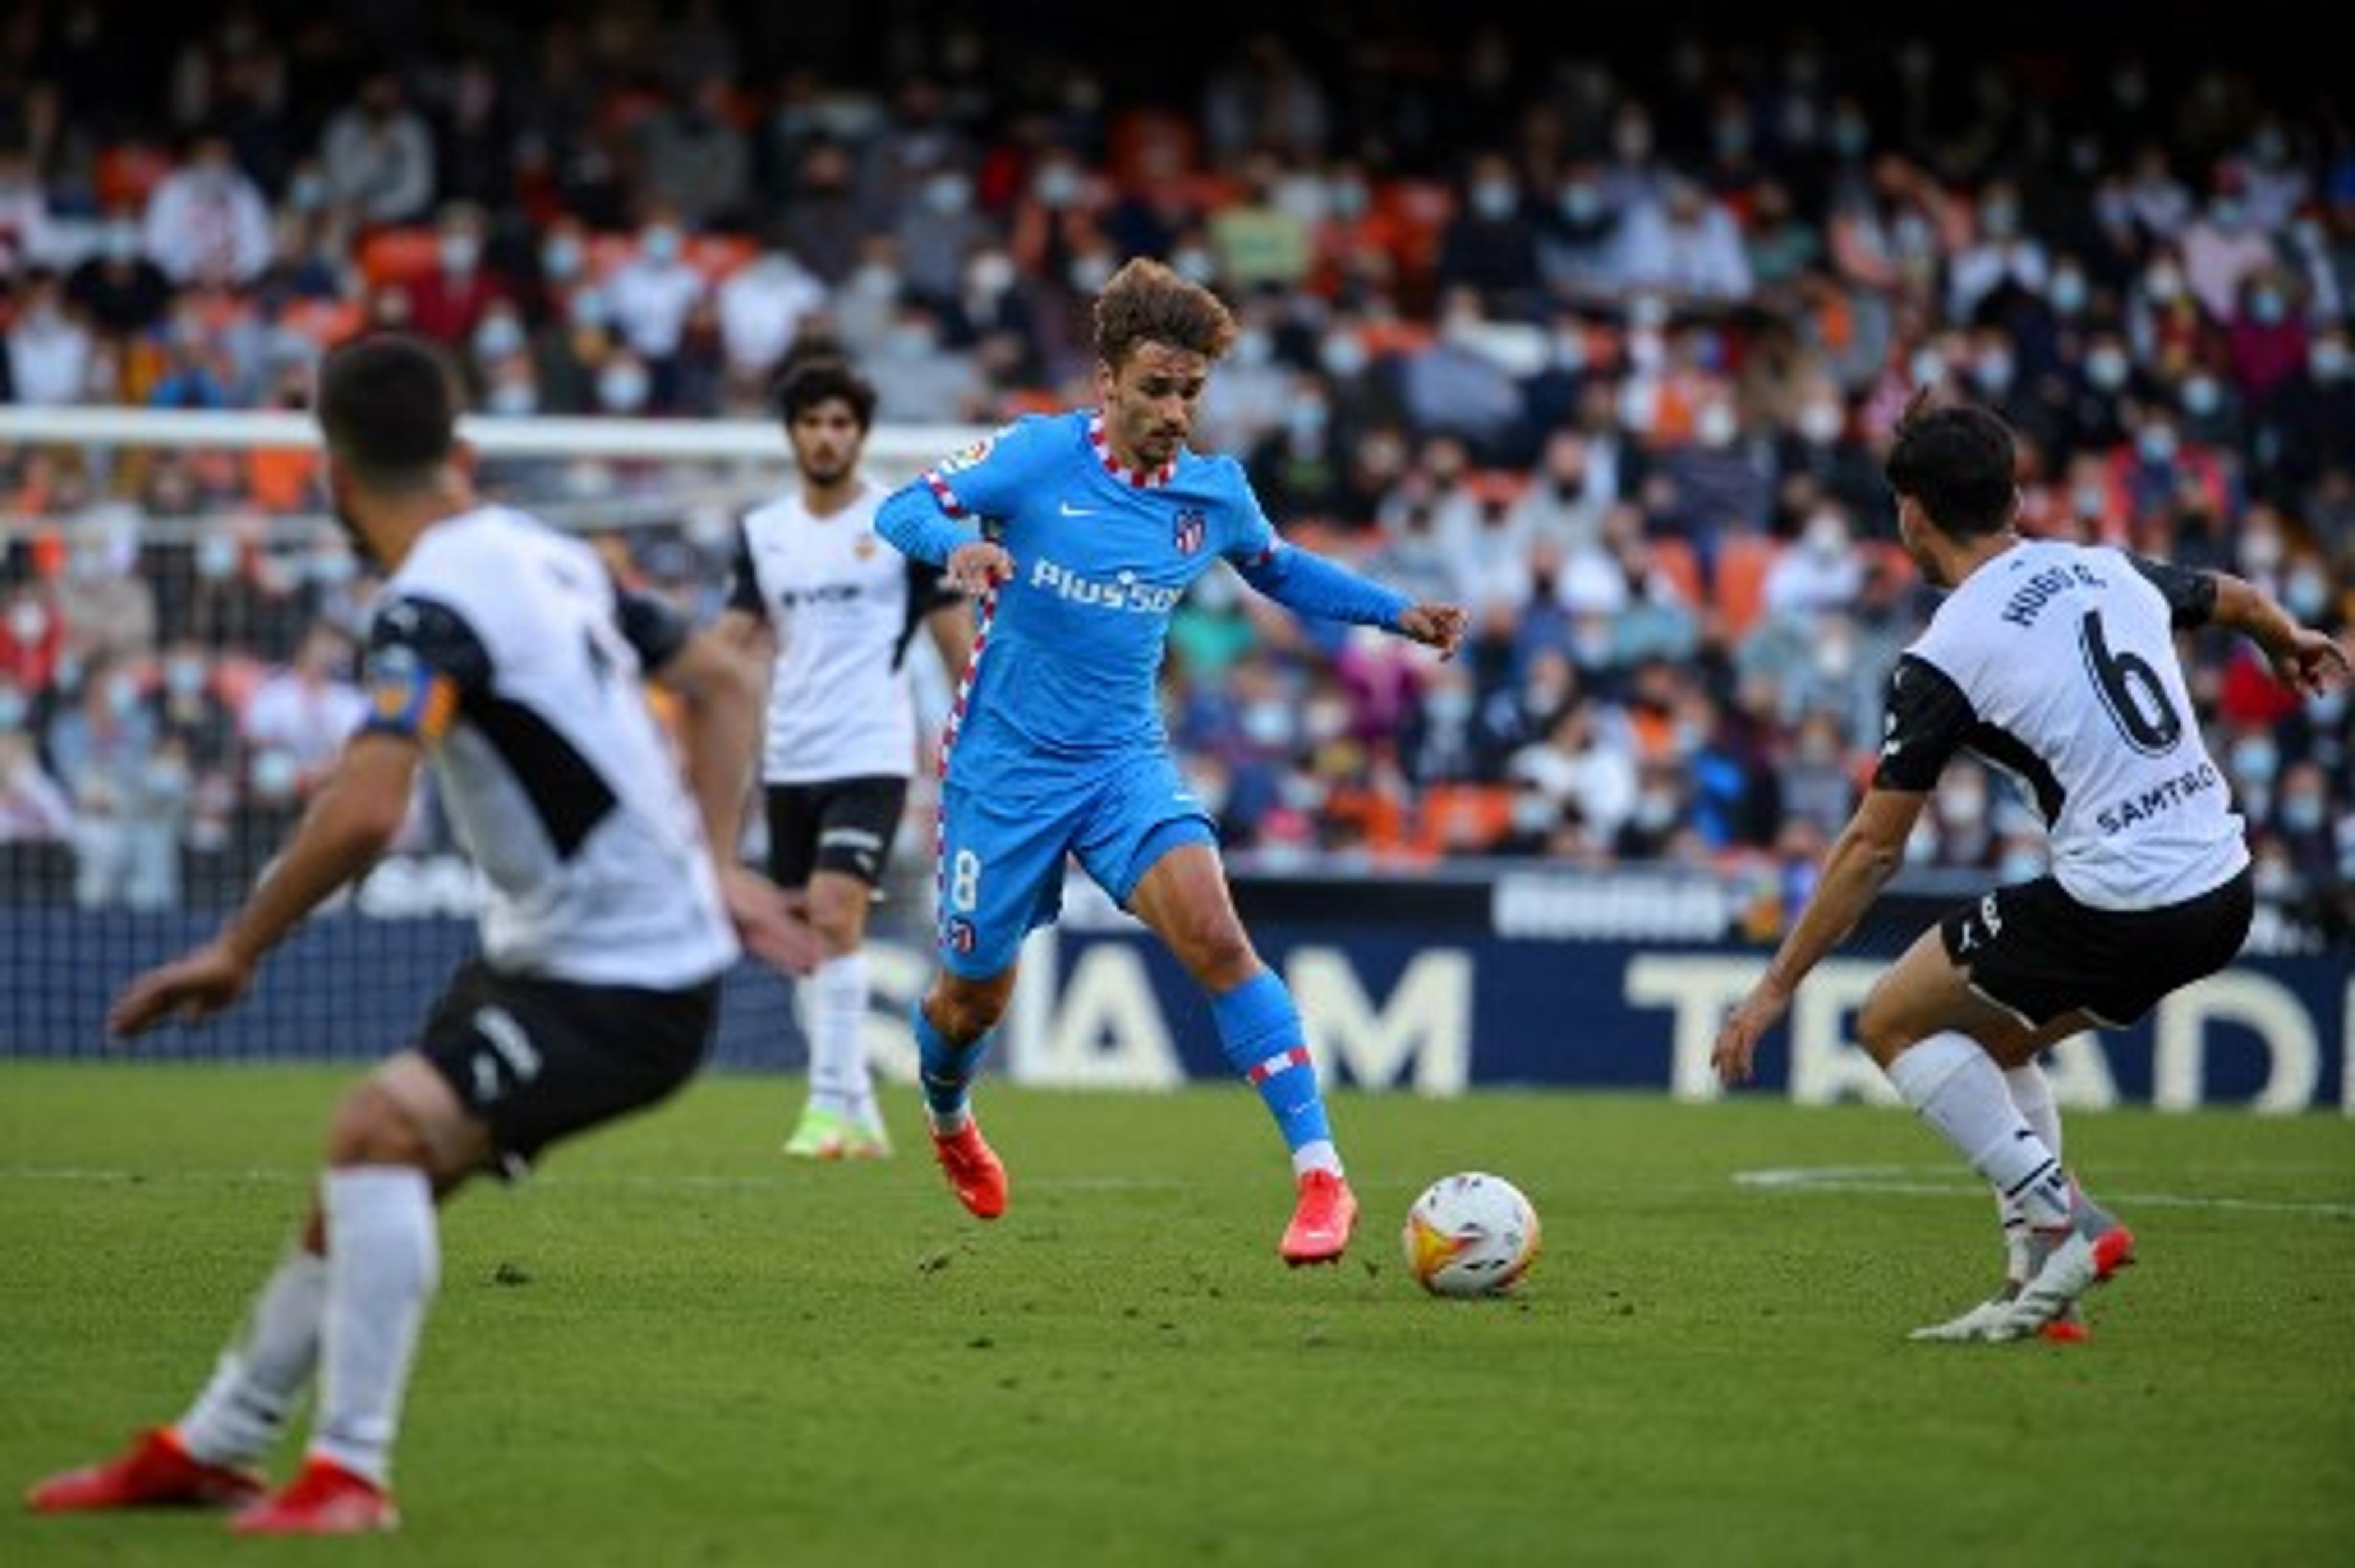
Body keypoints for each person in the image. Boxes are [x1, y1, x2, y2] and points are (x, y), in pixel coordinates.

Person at [25, 333, 803, 1534]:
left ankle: (348, 1472)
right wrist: (716, 863)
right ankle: (217, 1443)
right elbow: (730, 682)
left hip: (626, 984)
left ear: (333, 472)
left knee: (376, 1129)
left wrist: (240, 946)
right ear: (464, 449)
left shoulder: (429, 604)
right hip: (554, 953)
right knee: (373, 1180)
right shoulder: (549, 553)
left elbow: (372, 808)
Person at [1710, 395, 2351, 1344]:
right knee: (1996, 1044)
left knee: (1891, 1019)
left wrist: (1773, 987)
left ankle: (2065, 1221)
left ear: (1911, 513)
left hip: (2124, 898)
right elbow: (2230, 595)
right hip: (2222, 887)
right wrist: (2284, 638)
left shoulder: (1945, 653)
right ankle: (2036, 1293)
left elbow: (1873, 848)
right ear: (2013, 494)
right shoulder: (2100, 565)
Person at [871, 256, 1468, 1264]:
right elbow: (903, 507)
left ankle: (1322, 1174)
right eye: (1157, 387)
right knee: (971, 995)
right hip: (1004, 772)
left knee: (1218, 937)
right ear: (1107, 381)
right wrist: (956, 549)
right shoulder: (1035, 454)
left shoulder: (1212, 493)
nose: (1176, 410)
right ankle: (948, 1115)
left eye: (1191, 390)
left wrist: (1395, 612)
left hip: (1121, 763)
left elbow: (1281, 570)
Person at [719, 356, 974, 1160]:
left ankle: (827, 1104)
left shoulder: (899, 523)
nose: (828, 437)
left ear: (859, 435)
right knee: (806, 932)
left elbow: (950, 634)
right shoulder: (764, 535)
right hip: (787, 756)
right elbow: (730, 646)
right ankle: (857, 1104)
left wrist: (975, 721)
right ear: (793, 433)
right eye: (813, 422)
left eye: (842, 424)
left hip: (869, 751)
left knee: (834, 909)